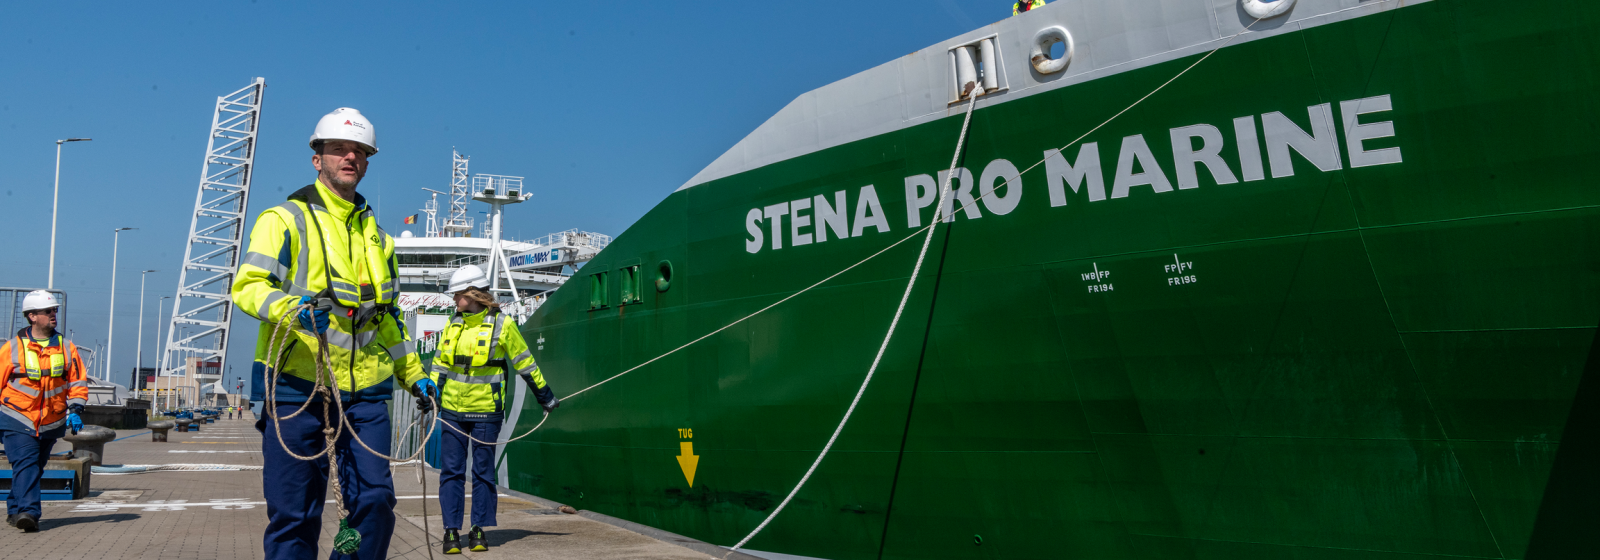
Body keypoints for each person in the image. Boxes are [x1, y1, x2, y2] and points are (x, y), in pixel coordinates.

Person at [232, 107, 436, 560]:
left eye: (361, 151)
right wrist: (293, 311)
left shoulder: (380, 241)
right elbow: (247, 288)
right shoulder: (284, 220)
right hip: (296, 389)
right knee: (294, 516)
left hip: (365, 396)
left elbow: (387, 321)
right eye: (340, 149)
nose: (351, 157)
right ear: (316, 157)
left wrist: (414, 374)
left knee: (376, 501)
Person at [430, 265, 558, 554]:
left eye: (457, 296)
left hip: (487, 410)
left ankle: (477, 529)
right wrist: (430, 394)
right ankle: (451, 531)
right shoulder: (453, 324)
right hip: (451, 410)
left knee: (484, 472)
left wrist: (545, 395)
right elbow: (439, 365)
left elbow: (525, 363)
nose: (453, 301)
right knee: (451, 472)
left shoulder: (503, 325)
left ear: (473, 294)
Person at [0, 291, 88, 533]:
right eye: (48, 311)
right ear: (32, 316)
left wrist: (76, 408)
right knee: (26, 463)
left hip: (51, 420)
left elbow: (78, 381)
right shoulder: (12, 348)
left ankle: (14, 508)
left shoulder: (67, 348)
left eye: (55, 310)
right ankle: (30, 512)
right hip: (17, 417)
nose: (53, 315)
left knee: (34, 467)